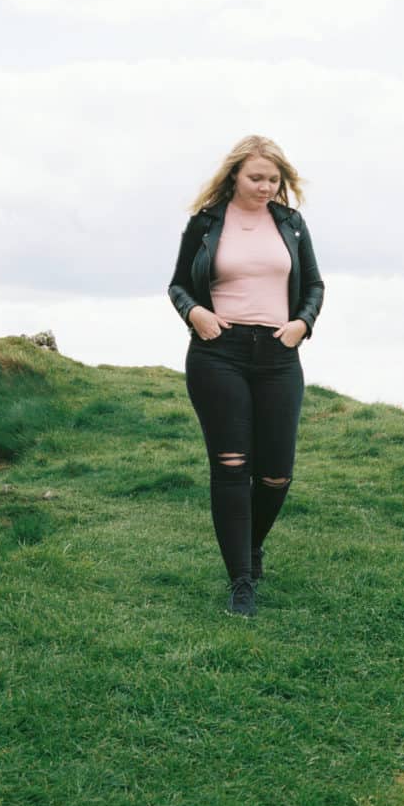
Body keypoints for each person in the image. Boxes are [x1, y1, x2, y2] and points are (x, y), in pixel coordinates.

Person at [168, 135, 325, 618]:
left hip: (278, 354)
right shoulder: (206, 223)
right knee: (232, 466)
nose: (266, 187)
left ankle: (251, 545)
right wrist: (195, 313)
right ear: (235, 175)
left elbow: (314, 285)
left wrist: (302, 324)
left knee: (276, 473)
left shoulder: (292, 225)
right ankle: (241, 581)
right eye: (256, 177)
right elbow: (177, 284)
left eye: (274, 179)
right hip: (219, 353)